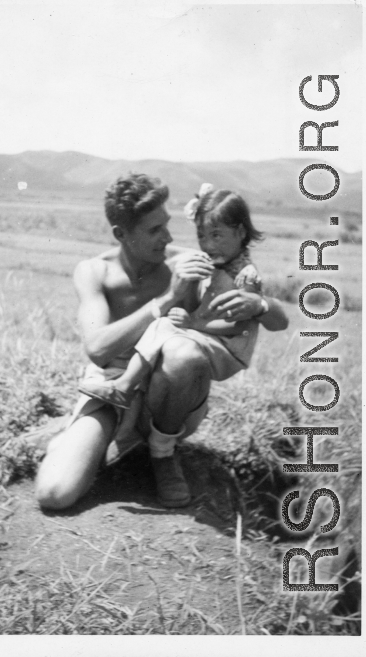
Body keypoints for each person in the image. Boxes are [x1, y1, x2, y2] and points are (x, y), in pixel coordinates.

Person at [34, 174, 288, 510]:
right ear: (121, 234)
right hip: (113, 393)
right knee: (55, 494)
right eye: (155, 230)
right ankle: (82, 439)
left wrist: (262, 305)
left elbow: (270, 317)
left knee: (184, 353)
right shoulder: (94, 272)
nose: (168, 237)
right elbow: (97, 349)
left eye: (166, 225)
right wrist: (167, 299)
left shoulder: (189, 263)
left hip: (168, 398)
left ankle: (162, 456)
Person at [79, 184, 266, 410]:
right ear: (120, 234)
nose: (207, 245)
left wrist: (194, 322)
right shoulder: (215, 262)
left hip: (228, 348)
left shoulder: (245, 275)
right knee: (163, 324)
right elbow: (96, 349)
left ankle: (126, 386)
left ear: (241, 232)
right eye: (202, 236)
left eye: (216, 235)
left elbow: (238, 325)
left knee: (166, 328)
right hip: (209, 339)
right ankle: (126, 389)